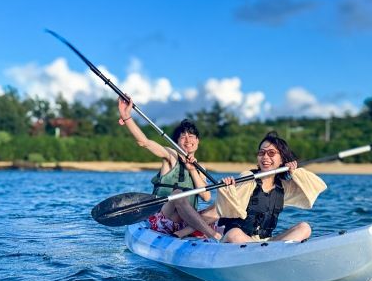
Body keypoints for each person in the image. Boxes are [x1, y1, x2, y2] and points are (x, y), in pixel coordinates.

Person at [118, 96, 222, 240]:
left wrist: (192, 169)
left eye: (191, 136)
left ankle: (184, 233)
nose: (188, 140)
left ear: (197, 141)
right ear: (176, 142)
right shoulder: (171, 155)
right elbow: (144, 142)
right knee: (178, 193)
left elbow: (206, 196)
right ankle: (214, 235)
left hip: (186, 224)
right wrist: (127, 116)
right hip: (164, 220)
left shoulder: (199, 167)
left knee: (221, 205)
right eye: (183, 137)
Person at [215, 131, 327, 243]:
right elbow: (229, 212)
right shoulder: (248, 178)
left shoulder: (283, 187)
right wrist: (228, 190)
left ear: (281, 159)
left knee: (304, 228)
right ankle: (264, 253)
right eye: (261, 153)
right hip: (238, 240)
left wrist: (295, 172)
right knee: (234, 233)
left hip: (264, 243)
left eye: (271, 153)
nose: (265, 157)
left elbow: (316, 186)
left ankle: (268, 253)